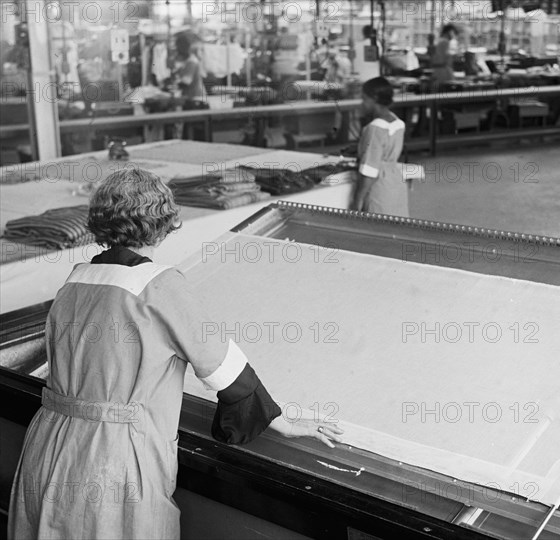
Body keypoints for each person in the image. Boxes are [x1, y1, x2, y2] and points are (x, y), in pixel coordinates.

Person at [7, 169, 343, 540]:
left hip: (48, 447)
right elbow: (224, 369)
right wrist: (285, 424)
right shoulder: (159, 286)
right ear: (165, 223)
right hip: (114, 460)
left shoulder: (74, 281)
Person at [351, 77, 408, 216]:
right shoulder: (397, 122)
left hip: (378, 187)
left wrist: (358, 199)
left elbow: (370, 170)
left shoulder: (375, 128)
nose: (362, 104)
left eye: (364, 99)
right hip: (394, 182)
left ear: (374, 99)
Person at [174, 32, 206, 101]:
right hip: (195, 97)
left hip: (195, 99)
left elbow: (186, 82)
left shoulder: (191, 62)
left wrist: (174, 85)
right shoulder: (190, 61)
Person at [431, 24, 458, 90]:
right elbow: (445, 57)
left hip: (439, 70)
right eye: (453, 33)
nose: (453, 35)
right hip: (443, 71)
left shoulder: (441, 41)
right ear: (450, 32)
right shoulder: (445, 42)